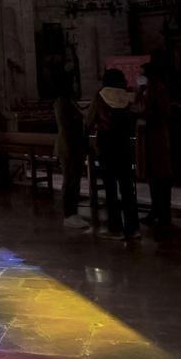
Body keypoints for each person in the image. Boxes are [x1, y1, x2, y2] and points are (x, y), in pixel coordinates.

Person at [89, 67, 138, 239]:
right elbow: (133, 118)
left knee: (110, 188)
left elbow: (90, 118)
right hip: (124, 144)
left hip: (107, 144)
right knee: (127, 187)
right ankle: (133, 228)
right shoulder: (126, 95)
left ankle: (115, 228)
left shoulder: (101, 96)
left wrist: (96, 126)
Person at [140, 54, 181, 231]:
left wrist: (142, 115)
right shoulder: (147, 90)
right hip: (149, 137)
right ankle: (155, 211)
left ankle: (164, 215)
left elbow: (162, 114)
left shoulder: (161, 91)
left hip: (158, 137)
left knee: (161, 177)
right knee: (153, 177)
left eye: (147, 76)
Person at [54, 79, 91, 230]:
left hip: (75, 145)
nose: (76, 85)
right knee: (70, 181)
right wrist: (81, 116)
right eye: (73, 83)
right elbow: (65, 121)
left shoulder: (69, 100)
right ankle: (69, 214)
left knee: (74, 180)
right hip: (69, 145)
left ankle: (73, 213)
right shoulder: (61, 101)